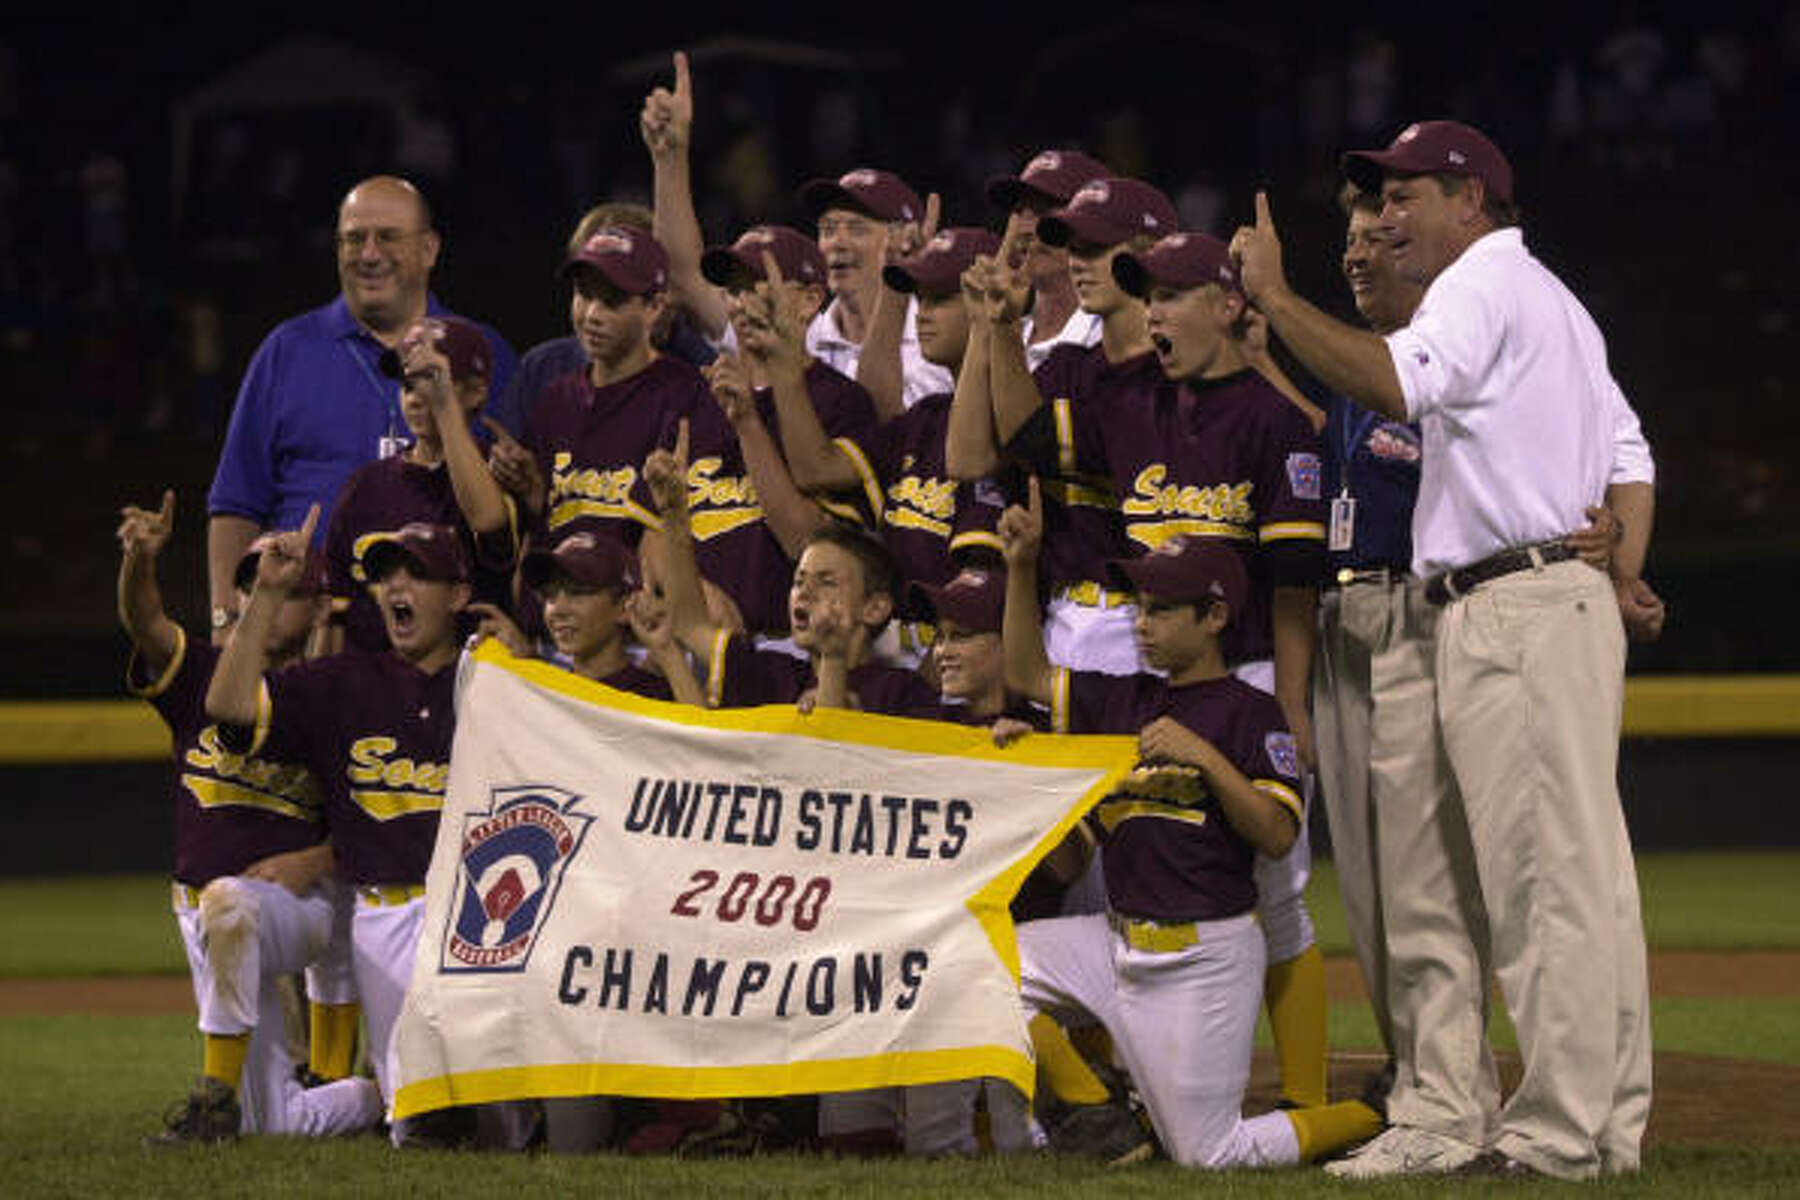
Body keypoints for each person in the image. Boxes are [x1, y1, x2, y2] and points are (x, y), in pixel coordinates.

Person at [1231, 119, 1658, 1179]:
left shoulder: (1488, 283)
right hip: (1499, 594)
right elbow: (1626, 447)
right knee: (1551, 881)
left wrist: (1279, 302)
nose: (1382, 217)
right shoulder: (1549, 303)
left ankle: (1561, 1134)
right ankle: (1516, 1117)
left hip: (1517, 597)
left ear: (1470, 199)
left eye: (1401, 196)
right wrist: (1623, 561)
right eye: (1376, 199)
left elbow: (1399, 385)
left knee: (1545, 886)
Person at [996, 484, 1381, 1169]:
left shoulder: (1250, 714)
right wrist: (1022, 566)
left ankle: (1370, 1116)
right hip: (1111, 946)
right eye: (1141, 606)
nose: (1143, 623)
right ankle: (1097, 1111)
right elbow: (1025, 672)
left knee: (1210, 1155)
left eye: (1164, 609)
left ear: (1214, 617)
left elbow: (1276, 834)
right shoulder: (1122, 699)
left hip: (1201, 962)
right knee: (985, 964)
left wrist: (1206, 758)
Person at [120, 491, 380, 1144]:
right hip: (199, 912)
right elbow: (144, 620)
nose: (259, 590)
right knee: (276, 1121)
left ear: (321, 606)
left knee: (232, 903)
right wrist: (139, 564)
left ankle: (211, 1100)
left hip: (295, 909)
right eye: (249, 582)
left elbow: (373, 821)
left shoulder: (334, 694)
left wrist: (315, 860)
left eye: (280, 587)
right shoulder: (202, 673)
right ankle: (384, 1096)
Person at [206, 517, 471, 1125]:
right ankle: (358, 1096)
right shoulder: (348, 683)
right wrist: (267, 597)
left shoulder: (494, 680)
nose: (396, 587)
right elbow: (227, 705)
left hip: (474, 921)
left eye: (417, 574)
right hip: (382, 917)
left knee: (502, 1120)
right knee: (416, 1123)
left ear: (458, 596)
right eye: (384, 576)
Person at [206, 176, 516, 642]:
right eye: (353, 239)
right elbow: (235, 505)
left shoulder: (483, 355)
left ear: (429, 249)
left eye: (388, 237)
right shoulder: (288, 351)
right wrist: (226, 625)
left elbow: (513, 516)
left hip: (447, 640)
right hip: (305, 635)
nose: (368, 254)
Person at [323, 315, 518, 654]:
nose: (414, 398)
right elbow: (337, 610)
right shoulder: (365, 486)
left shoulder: (500, 474)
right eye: (408, 384)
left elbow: (487, 522)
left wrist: (444, 406)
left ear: (475, 392)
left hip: (463, 684)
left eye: (431, 380)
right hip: (375, 685)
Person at [797, 167, 953, 418]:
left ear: (906, 239)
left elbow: (887, 431)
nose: (837, 242)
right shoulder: (802, 340)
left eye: (857, 229)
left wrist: (899, 280)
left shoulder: (938, 341)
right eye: (827, 230)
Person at [982, 149, 1109, 370]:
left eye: (1045, 211)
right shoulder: (1004, 335)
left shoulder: (1110, 341)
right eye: (1020, 211)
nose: (1024, 228)